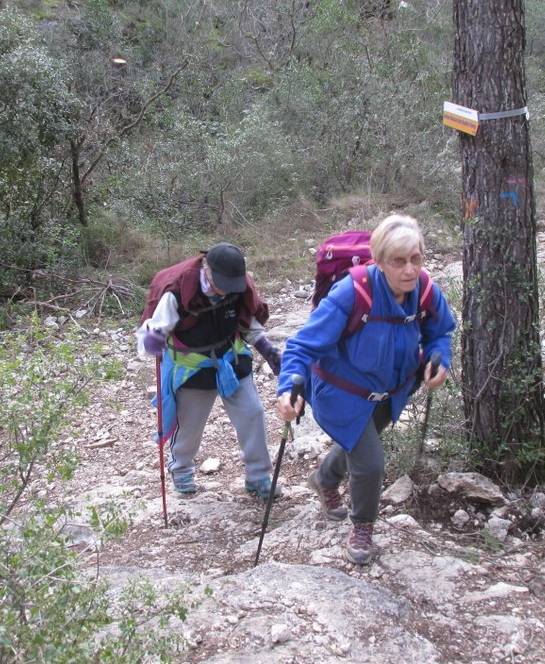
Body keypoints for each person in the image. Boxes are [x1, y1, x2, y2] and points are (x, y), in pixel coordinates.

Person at [275, 215, 457, 564]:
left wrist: (438, 357)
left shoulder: (426, 290)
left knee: (360, 442)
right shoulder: (352, 291)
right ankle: (363, 526)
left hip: (392, 392)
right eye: (398, 261)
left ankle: (325, 479)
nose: (409, 269)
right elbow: (301, 346)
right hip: (342, 394)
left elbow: (440, 331)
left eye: (416, 258)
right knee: (370, 463)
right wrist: (289, 387)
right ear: (380, 260)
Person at [136, 242, 283, 499]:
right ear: (206, 268)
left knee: (253, 413)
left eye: (231, 285)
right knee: (190, 425)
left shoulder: (238, 286)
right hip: (193, 365)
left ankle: (259, 477)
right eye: (221, 283)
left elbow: (247, 323)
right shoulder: (178, 292)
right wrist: (152, 341)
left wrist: (268, 350)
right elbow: (154, 329)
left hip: (230, 356)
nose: (225, 291)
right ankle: (181, 470)